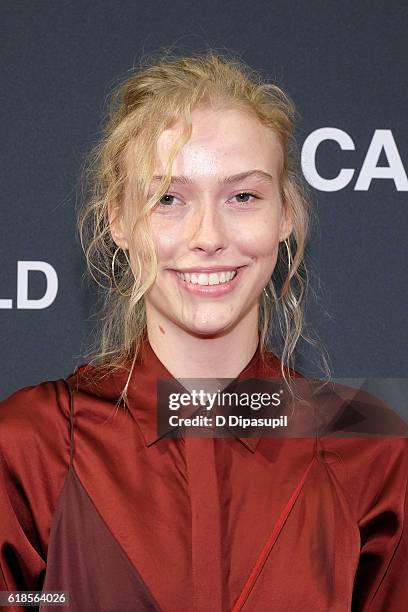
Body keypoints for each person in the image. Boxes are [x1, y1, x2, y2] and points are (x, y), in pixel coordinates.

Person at [0, 51, 407, 612]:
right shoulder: (30, 445)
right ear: (117, 219)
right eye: (168, 198)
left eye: (243, 196)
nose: (208, 235)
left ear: (285, 213)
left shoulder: (371, 451)